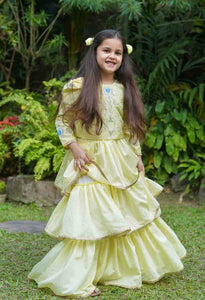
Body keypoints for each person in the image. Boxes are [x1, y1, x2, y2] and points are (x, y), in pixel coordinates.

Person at [28, 29, 186, 298]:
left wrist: (136, 157)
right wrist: (75, 148)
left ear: (123, 58)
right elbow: (62, 123)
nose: (112, 56)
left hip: (121, 159)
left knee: (124, 213)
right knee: (90, 216)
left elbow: (130, 129)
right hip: (89, 160)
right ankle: (76, 278)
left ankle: (116, 269)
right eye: (107, 50)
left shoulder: (125, 89)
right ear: (94, 52)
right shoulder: (76, 87)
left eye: (118, 52)